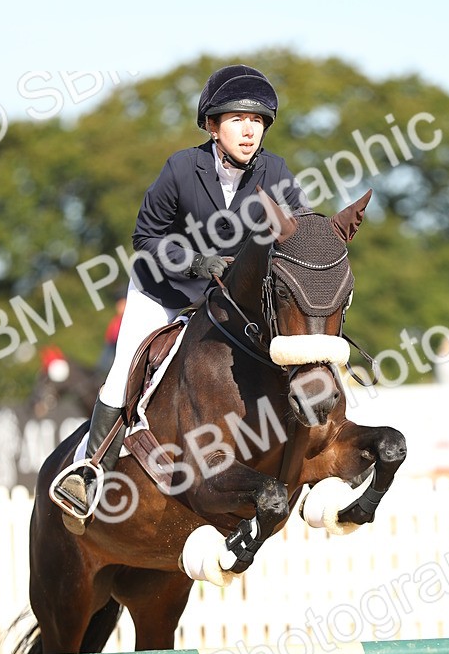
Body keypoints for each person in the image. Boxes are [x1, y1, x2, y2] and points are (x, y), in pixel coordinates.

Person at [54, 63, 308, 525]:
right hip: (166, 289)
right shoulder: (180, 168)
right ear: (213, 126)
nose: (249, 132)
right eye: (237, 120)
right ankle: (88, 473)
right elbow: (145, 238)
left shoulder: (276, 172)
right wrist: (195, 262)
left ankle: (302, 466)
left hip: (230, 304)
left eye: (257, 122)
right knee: (121, 371)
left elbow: (298, 234)